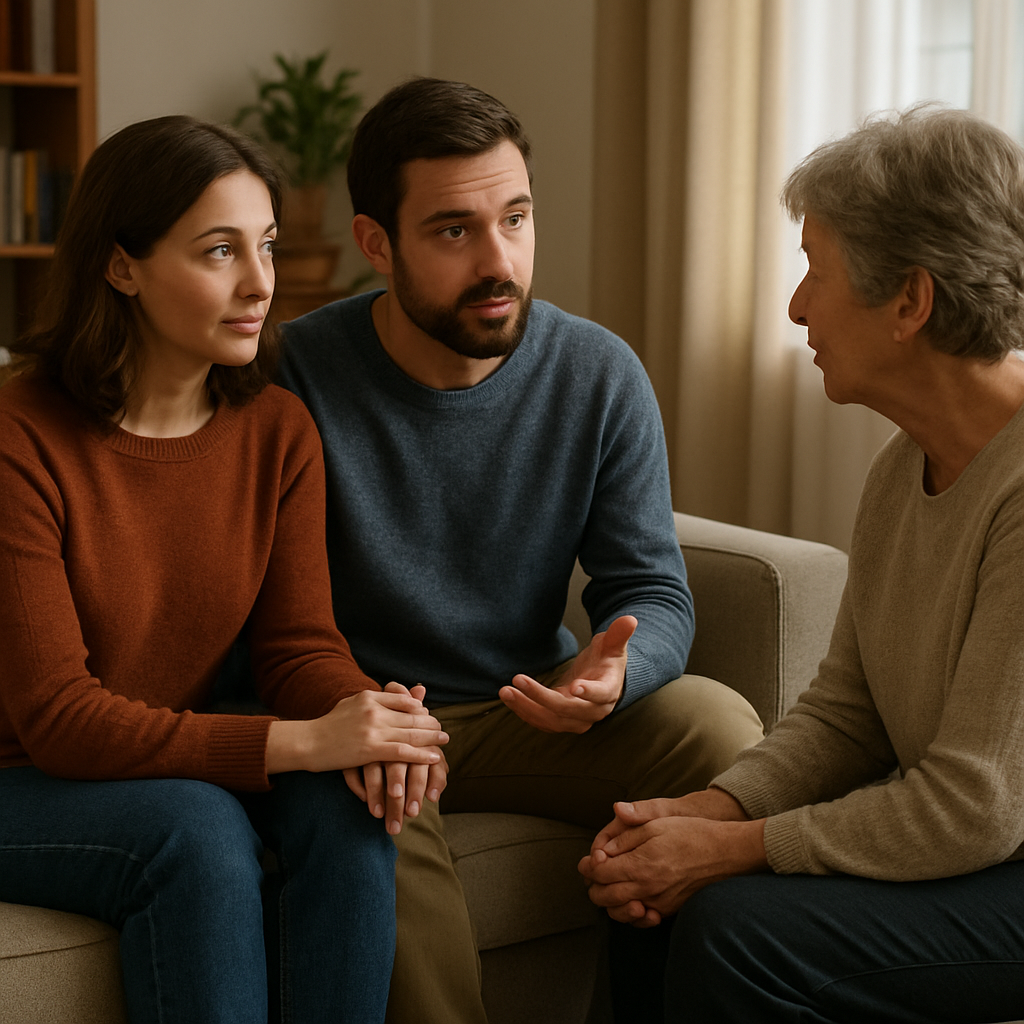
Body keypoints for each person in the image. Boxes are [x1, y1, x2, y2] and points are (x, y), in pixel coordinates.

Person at [276, 76, 765, 1024]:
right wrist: (354, 710)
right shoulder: (295, 374)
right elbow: (263, 609)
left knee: (719, 729)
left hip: (521, 707)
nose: (499, 259)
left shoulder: (598, 372)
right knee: (374, 811)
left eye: (516, 217)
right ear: (377, 243)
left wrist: (616, 677)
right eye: (454, 230)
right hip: (363, 714)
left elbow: (652, 587)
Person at [0, 115, 450, 1024]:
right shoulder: (20, 437)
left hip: (159, 757)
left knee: (351, 799)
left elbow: (295, 646)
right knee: (196, 831)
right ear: (123, 266)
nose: (260, 284)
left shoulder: (276, 431)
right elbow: (57, 721)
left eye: (267, 247)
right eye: (219, 252)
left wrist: (369, 719)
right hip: (20, 775)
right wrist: (300, 741)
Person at [579, 103, 1024, 1023]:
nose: (796, 306)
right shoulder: (904, 467)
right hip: (980, 851)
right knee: (652, 897)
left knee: (733, 927)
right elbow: (847, 715)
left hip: (1005, 864)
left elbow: (975, 807)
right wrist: (708, 812)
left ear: (911, 298)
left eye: (813, 269)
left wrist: (737, 850)